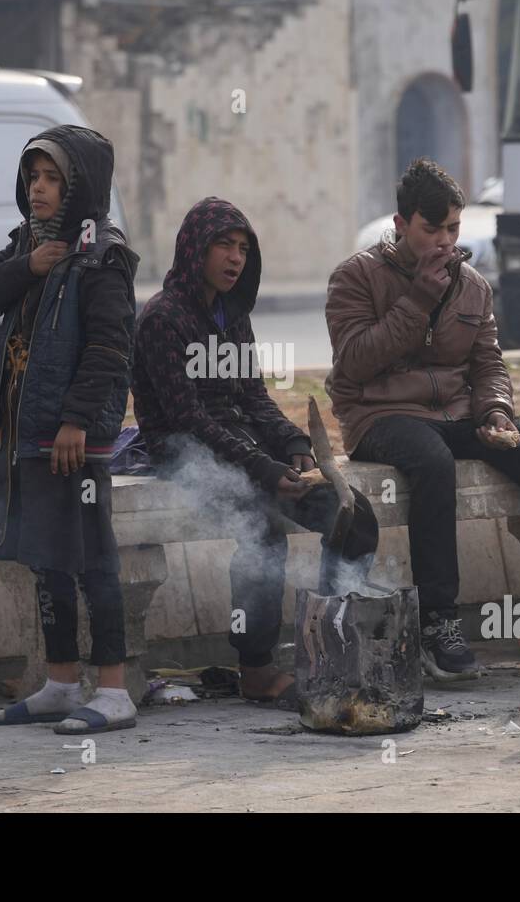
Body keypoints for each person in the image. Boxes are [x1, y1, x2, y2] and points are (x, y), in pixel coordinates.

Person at [325, 159, 520, 682]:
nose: (445, 242)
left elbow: (488, 362)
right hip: (380, 415)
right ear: (401, 225)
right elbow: (353, 364)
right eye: (432, 229)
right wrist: (419, 297)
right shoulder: (355, 278)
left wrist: (495, 412)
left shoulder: (472, 285)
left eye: (453, 229)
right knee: (431, 461)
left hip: (458, 412)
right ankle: (439, 624)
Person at [132, 197, 378, 710]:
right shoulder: (162, 319)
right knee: (261, 527)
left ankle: (330, 650)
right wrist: (264, 469)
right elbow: (188, 419)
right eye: (224, 244)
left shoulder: (233, 314)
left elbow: (252, 397)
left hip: (247, 447)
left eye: (243, 248)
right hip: (184, 453)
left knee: (352, 513)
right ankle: (257, 668)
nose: (235, 258)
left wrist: (294, 447)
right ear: (195, 248)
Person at [0, 125, 141, 735]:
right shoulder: (26, 243)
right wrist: (27, 266)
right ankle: (62, 682)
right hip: (24, 432)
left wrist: (76, 422)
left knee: (92, 557)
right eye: (33, 177)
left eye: (52, 179)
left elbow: (110, 349)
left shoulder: (103, 255)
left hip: (72, 439)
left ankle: (114, 689)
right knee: (48, 560)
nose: (38, 190)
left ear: (79, 187)